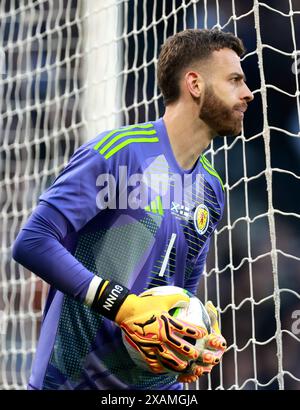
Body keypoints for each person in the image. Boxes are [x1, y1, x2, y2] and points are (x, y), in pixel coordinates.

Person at [12, 28, 254, 390]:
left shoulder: (211, 190)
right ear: (195, 84)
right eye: (235, 80)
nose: (247, 94)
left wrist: (196, 331)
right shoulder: (121, 152)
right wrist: (123, 307)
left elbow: (181, 293)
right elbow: (32, 241)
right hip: (72, 382)